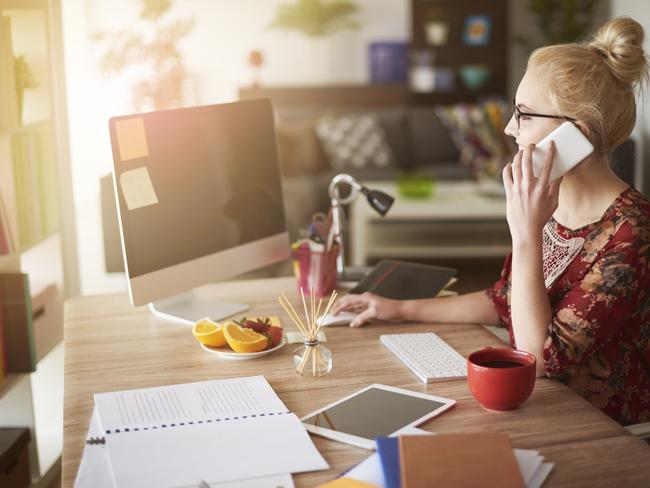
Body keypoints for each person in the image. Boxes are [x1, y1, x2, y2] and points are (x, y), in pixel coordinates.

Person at [331, 16, 650, 426]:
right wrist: (395, 308)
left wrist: (526, 234)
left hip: (597, 430)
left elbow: (541, 357)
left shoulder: (633, 232)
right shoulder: (550, 203)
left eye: (526, 115)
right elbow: (505, 301)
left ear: (578, 136)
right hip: (536, 407)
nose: (509, 128)